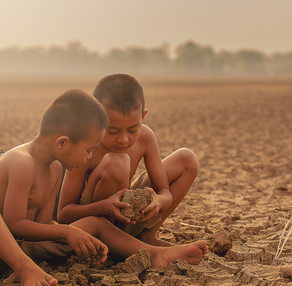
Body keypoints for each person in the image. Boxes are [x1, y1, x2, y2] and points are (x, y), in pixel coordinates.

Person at [0, 89, 207, 286]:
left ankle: (152, 254)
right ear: (62, 143)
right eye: (88, 150)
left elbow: (44, 225)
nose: (90, 157)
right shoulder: (22, 162)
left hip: (28, 248)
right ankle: (24, 268)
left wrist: (78, 235)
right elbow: (14, 222)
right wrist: (68, 233)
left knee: (94, 224)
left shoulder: (56, 169)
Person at [57, 73, 200, 246]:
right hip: (93, 223)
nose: (123, 140)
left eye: (133, 130)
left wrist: (159, 201)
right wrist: (103, 206)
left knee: (187, 159)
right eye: (112, 131)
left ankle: (146, 237)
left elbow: (165, 192)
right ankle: (112, 243)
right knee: (117, 161)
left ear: (143, 117)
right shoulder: (85, 145)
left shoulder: (146, 137)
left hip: (126, 217)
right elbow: (63, 214)